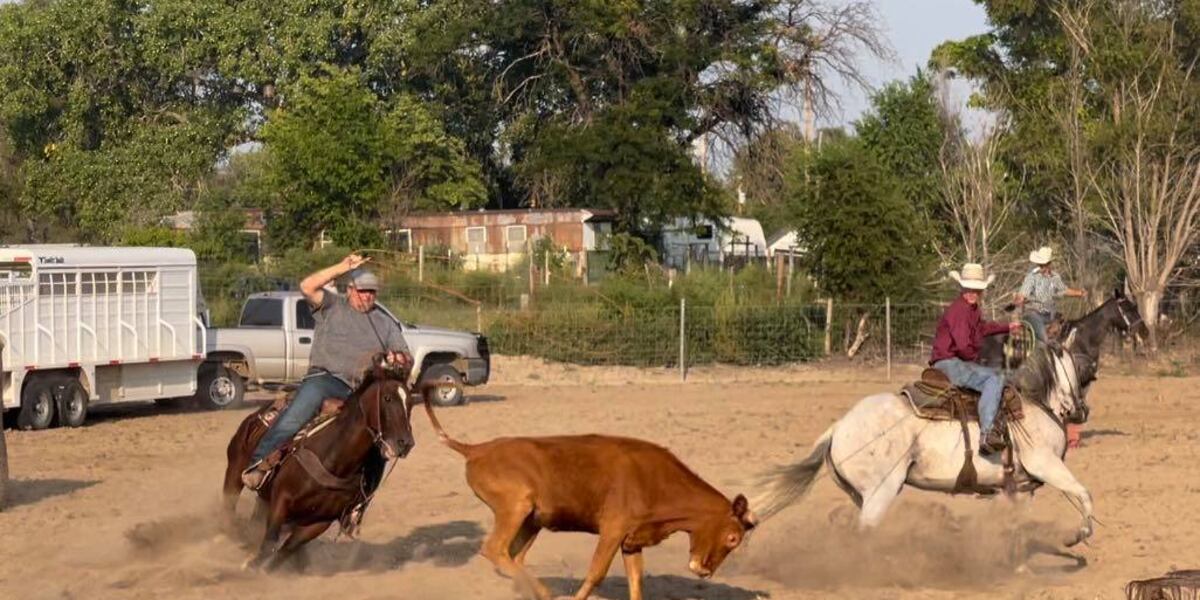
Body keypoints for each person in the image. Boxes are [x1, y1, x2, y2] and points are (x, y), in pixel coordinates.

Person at [241, 253, 412, 490]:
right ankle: (259, 463)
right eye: (362, 291)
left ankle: (361, 499)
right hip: (325, 379)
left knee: (380, 437)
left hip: (360, 391)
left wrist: (398, 358)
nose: (367, 296)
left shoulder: (384, 323)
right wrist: (342, 266)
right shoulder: (332, 306)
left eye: (372, 292)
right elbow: (307, 286)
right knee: (296, 415)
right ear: (350, 290)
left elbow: (405, 354)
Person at [930, 263, 1022, 455]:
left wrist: (1008, 327)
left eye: (977, 290)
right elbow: (963, 346)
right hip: (950, 363)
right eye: (969, 289)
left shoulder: (971, 310)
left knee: (994, 374)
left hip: (953, 361)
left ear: (981, 291)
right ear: (962, 288)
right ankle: (987, 433)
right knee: (994, 378)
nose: (973, 293)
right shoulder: (961, 310)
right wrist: (975, 358)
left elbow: (983, 329)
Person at [1015, 246, 1087, 343]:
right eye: (1040, 265)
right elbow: (1023, 293)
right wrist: (1020, 299)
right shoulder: (1032, 277)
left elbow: (1064, 290)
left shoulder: (1054, 277)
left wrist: (1079, 293)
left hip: (1050, 314)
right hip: (1033, 314)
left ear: (1049, 264)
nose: (1041, 267)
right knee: (1045, 339)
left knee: (1068, 332)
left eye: (1043, 265)